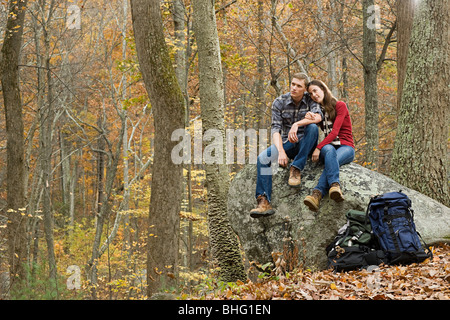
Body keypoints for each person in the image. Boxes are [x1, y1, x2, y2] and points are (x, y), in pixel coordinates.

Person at [250, 73, 323, 218]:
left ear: (305, 89)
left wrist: (297, 124)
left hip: (307, 142)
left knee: (313, 128)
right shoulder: (279, 102)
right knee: (263, 158)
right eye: (293, 84)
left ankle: (296, 168)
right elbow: (275, 129)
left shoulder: (310, 100)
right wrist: (281, 151)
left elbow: (318, 118)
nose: (294, 88)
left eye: (299, 86)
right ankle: (264, 201)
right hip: (287, 143)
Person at [303, 80, 355, 212]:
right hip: (330, 147)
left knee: (333, 160)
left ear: (323, 89)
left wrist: (318, 147)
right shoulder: (320, 112)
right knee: (330, 152)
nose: (313, 95)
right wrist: (309, 116)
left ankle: (318, 193)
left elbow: (335, 132)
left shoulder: (340, 105)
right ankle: (333, 186)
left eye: (315, 90)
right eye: (310, 93)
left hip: (346, 146)